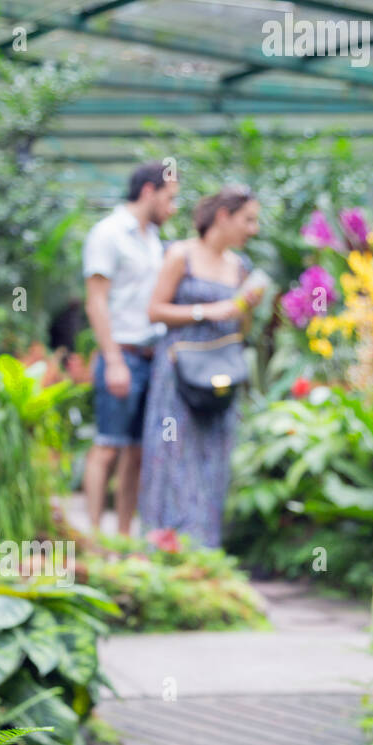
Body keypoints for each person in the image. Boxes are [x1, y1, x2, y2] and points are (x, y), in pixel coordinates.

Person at [139, 185, 262, 548]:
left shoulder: (240, 267)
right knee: (173, 456)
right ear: (223, 216)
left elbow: (239, 329)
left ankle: (204, 551)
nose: (253, 229)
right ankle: (164, 547)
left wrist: (246, 308)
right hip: (178, 375)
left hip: (220, 377)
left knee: (214, 459)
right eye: (248, 220)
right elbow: (155, 311)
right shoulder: (180, 255)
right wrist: (206, 311)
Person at [82, 161, 179, 535]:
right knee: (108, 445)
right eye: (170, 198)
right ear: (148, 192)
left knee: (136, 453)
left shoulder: (154, 241)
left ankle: (123, 538)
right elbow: (96, 301)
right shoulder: (108, 233)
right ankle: (91, 535)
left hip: (152, 359)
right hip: (120, 354)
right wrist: (113, 360)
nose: (173, 208)